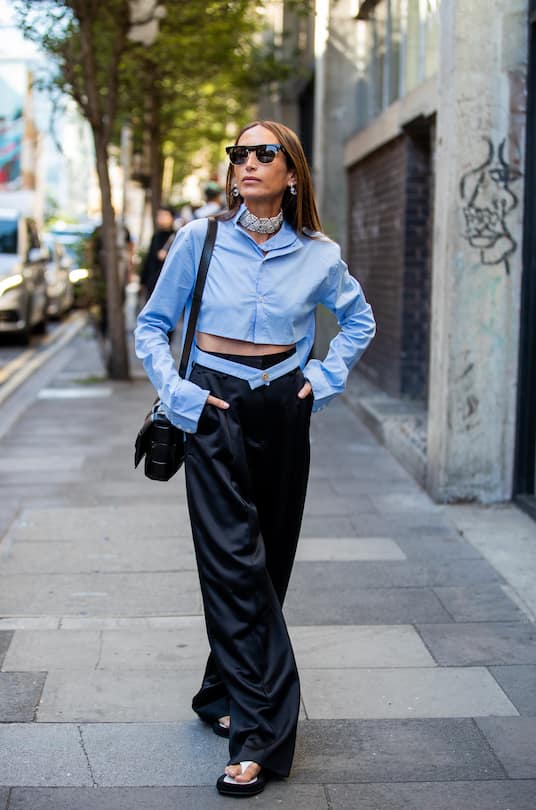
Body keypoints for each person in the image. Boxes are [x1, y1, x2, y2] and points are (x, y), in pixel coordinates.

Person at [134, 120, 376, 797]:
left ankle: (220, 691)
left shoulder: (319, 255)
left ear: (291, 172)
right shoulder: (199, 239)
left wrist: (320, 385)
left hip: (284, 408)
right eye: (239, 153)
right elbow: (153, 324)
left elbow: (359, 321)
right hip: (212, 408)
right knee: (234, 564)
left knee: (267, 562)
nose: (246, 163)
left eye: (263, 153)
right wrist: (180, 396)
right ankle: (260, 733)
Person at [139, 205, 176, 302]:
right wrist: (143, 280)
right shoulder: (156, 236)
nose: (161, 218)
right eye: (160, 216)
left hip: (168, 282)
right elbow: (149, 258)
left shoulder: (176, 236)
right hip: (153, 280)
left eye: (165, 215)